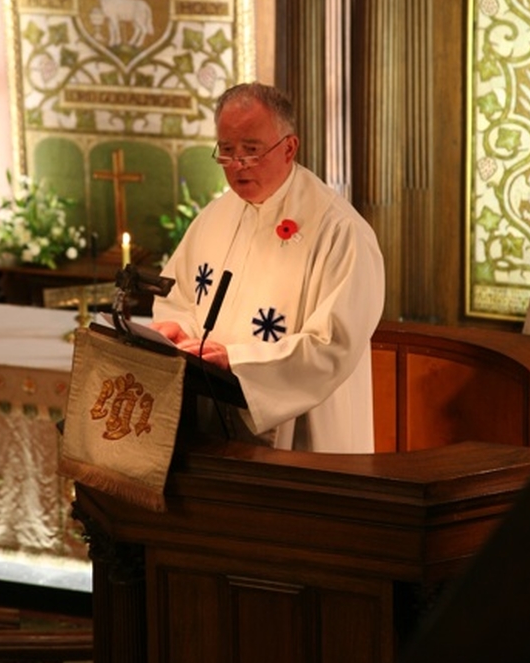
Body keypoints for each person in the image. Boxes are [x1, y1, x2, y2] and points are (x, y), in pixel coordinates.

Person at [151, 82, 385, 453]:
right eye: (226, 151)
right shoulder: (217, 215)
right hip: (215, 422)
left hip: (304, 437)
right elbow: (178, 295)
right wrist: (179, 333)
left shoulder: (340, 231)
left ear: (289, 147)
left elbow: (333, 345)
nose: (238, 165)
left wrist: (238, 361)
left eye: (251, 151)